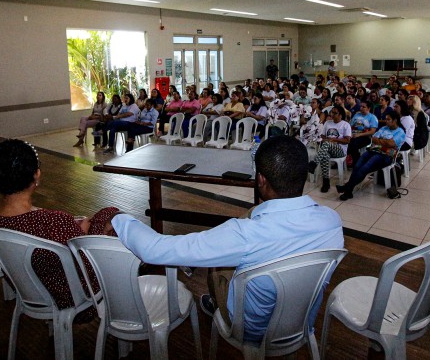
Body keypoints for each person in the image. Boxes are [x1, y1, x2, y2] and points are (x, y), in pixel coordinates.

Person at [111, 136, 344, 342]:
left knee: (216, 265)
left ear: (261, 180)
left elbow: (154, 249)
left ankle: (215, 303)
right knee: (251, 218)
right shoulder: (332, 222)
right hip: (301, 319)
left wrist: (119, 218)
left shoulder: (243, 235)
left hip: (250, 329)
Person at [0, 139, 119, 320]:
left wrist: (73, 229)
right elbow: (83, 258)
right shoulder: (53, 221)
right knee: (112, 216)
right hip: (76, 300)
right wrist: (81, 233)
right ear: (36, 175)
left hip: (30, 290)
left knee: (107, 216)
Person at [337, 110, 406, 201]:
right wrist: (384, 142)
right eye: (386, 119)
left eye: (388, 119)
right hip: (374, 150)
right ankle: (348, 190)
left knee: (365, 167)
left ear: (395, 120)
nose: (386, 121)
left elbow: (391, 143)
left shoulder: (400, 132)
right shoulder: (384, 128)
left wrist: (381, 141)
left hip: (386, 156)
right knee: (357, 165)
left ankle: (348, 188)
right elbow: (373, 139)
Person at [308, 105, 352, 192]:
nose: (332, 114)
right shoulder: (328, 123)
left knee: (327, 143)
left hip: (339, 150)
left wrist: (333, 140)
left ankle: (314, 163)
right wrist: (326, 140)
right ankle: (326, 182)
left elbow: (347, 140)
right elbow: (323, 135)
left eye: (335, 113)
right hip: (327, 148)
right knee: (325, 155)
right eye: (332, 112)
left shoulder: (345, 125)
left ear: (340, 115)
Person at [347, 102, 378, 166]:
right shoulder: (357, 115)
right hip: (354, 134)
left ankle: (356, 162)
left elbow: (372, 131)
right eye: (361, 106)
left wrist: (359, 135)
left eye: (363, 107)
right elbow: (350, 125)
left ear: (368, 108)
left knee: (354, 144)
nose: (361, 108)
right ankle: (344, 159)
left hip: (365, 137)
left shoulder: (372, 117)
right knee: (346, 142)